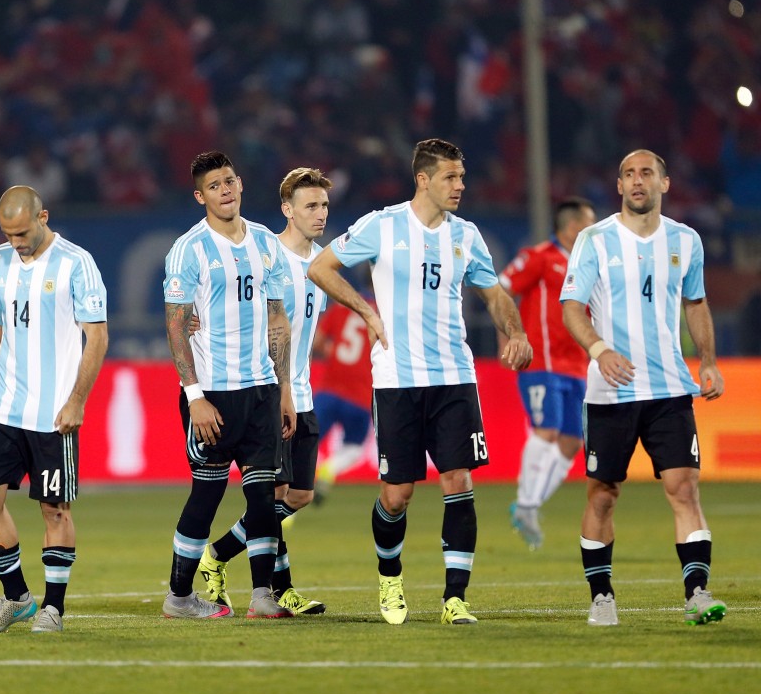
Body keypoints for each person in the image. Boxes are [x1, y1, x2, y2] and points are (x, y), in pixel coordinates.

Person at [308, 138, 532, 625]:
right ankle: (390, 580)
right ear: (424, 179)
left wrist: (514, 332)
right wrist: (366, 310)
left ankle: (456, 598)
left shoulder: (466, 235)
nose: (461, 185)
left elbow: (494, 293)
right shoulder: (382, 226)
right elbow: (320, 266)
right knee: (398, 494)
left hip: (454, 377)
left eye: (462, 177)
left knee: (458, 480)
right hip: (396, 380)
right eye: (451, 177)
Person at [560, 149, 727, 627]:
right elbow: (571, 306)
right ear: (618, 186)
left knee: (684, 489)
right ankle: (601, 596)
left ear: (665, 183)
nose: (638, 181)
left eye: (647, 173)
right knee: (603, 493)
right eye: (629, 174)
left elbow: (695, 302)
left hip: (671, 388)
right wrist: (598, 349)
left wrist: (709, 362)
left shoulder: (686, 240)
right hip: (611, 392)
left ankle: (697, 592)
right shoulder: (594, 240)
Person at [0, 185, 108, 634]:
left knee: (55, 509)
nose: (16, 242)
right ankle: (17, 597)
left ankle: (54, 607)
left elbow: (98, 337)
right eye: (8, 234)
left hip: (53, 412)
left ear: (43, 216)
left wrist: (77, 400)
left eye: (23, 232)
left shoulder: (76, 263)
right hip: (5, 406)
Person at [162, 150, 295, 620]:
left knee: (263, 495)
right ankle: (178, 596)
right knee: (208, 492)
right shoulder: (189, 249)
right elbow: (177, 325)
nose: (226, 190)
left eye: (231, 181)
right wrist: (194, 397)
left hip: (261, 390)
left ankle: (263, 596)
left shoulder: (265, 242)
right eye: (215, 185)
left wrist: (284, 389)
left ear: (240, 184)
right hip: (212, 395)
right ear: (201, 195)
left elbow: (278, 318)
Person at [197, 166, 331, 616]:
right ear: (287, 210)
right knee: (274, 496)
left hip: (304, 391)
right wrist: (280, 391)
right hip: (274, 393)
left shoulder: (322, 264)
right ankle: (279, 588)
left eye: (324, 205)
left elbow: (304, 332)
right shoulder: (269, 256)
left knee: (299, 497)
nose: (320, 213)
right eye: (310, 205)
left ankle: (216, 555)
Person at [498, 197, 597, 549]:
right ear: (573, 227)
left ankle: (530, 504)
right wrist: (509, 336)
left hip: (577, 367)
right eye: (589, 223)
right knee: (547, 429)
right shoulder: (540, 256)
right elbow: (502, 289)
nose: (594, 229)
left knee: (572, 443)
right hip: (541, 363)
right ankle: (526, 503)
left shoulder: (588, 265)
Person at [310, 269, 376, 505]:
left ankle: (288, 503)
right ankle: (330, 468)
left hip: (329, 390)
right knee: (354, 448)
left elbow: (317, 342)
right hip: (360, 396)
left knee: (305, 445)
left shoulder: (341, 307)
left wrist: (334, 352)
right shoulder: (383, 315)